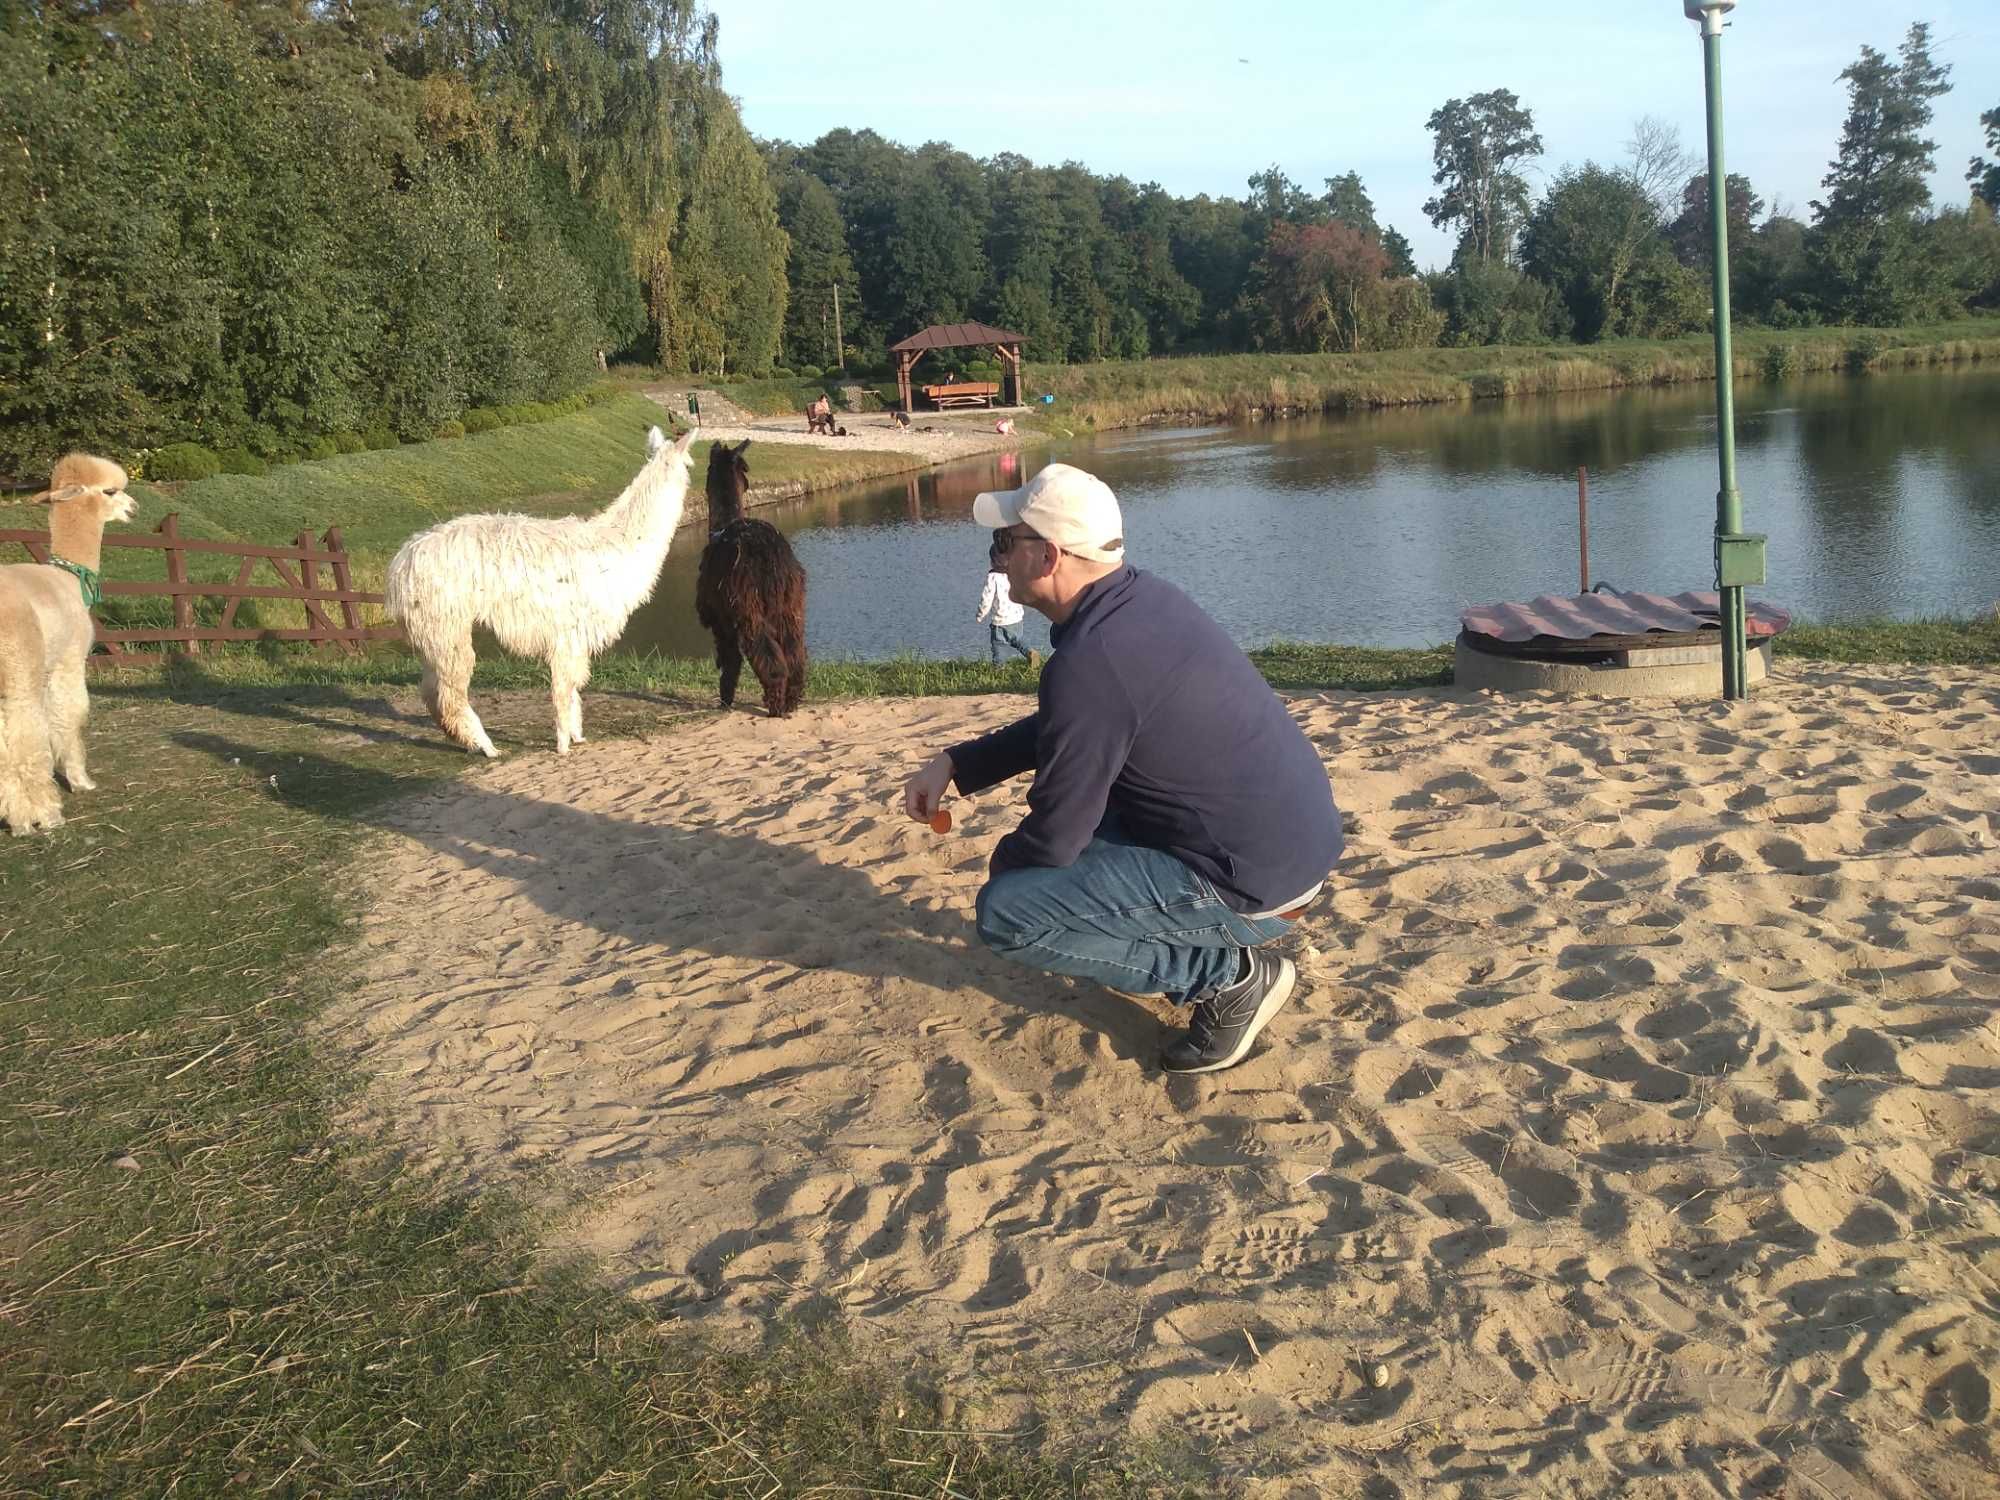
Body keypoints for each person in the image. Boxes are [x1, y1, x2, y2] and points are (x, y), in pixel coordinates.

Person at [902, 464, 1344, 1075]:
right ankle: (1222, 946)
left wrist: (1008, 873)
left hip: (1253, 883)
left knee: (1007, 913)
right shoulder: (1143, 601)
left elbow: (1054, 839)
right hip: (1291, 847)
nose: (996, 559)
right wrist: (957, 762)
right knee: (1066, 858)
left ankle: (1226, 977)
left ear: (1049, 555)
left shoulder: (1092, 661)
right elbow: (1079, 725)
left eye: (1004, 542)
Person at [976, 540, 1038, 666]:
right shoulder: (1015, 574)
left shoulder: (992, 578)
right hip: (1016, 619)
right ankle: (1030, 652)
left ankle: (999, 668)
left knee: (998, 646)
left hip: (1000, 621)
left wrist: (980, 615)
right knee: (1018, 640)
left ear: (993, 561)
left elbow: (986, 599)